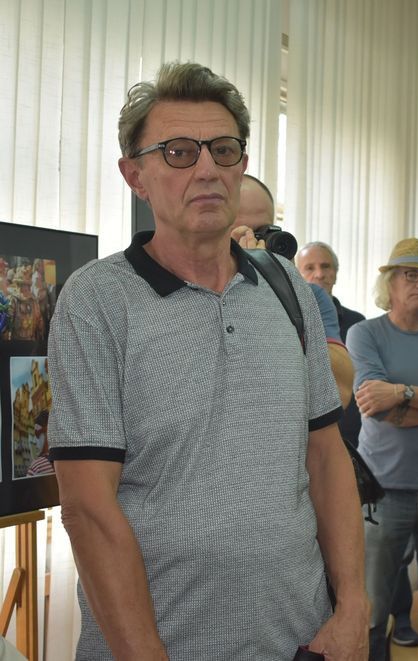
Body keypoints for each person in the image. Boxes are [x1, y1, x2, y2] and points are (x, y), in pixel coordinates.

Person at [47, 61, 368, 660]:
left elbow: (326, 458)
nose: (206, 170)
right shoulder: (97, 301)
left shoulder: (289, 290)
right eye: (177, 152)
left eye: (223, 150)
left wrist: (353, 606)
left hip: (300, 640)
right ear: (134, 176)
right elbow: (88, 509)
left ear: (241, 164)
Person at [346, 238, 418, 661]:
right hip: (382, 490)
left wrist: (401, 392)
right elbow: (373, 407)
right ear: (390, 284)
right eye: (411, 275)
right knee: (374, 609)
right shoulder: (365, 334)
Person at [296, 242, 365, 342]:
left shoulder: (356, 322)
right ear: (296, 275)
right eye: (310, 268)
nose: (319, 275)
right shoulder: (287, 320)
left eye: (325, 266)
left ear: (336, 273)